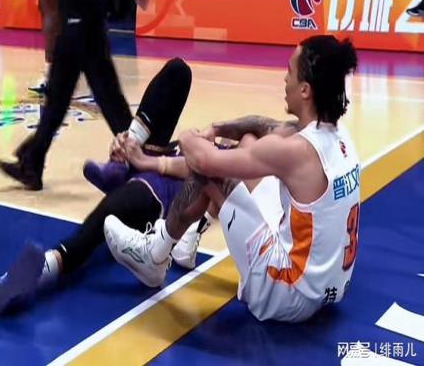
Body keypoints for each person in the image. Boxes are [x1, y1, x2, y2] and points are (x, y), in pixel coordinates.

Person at [104, 35, 361, 323]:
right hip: (325, 288)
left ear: (305, 90)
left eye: (289, 71)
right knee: (249, 140)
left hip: (288, 296)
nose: (284, 78)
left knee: (213, 171)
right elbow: (263, 126)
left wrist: (190, 137)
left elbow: (204, 162)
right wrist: (218, 128)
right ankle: (186, 238)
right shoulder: (337, 136)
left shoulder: (296, 151)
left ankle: (154, 255)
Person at [0, 58, 212, 317]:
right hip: (153, 162)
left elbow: (202, 170)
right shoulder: (199, 144)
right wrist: (130, 148)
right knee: (178, 71)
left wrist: (147, 162)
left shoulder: (221, 165)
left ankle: (47, 266)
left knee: (112, 212)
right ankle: (121, 161)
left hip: (158, 191)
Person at [0, 0, 149, 191]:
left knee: (101, 94)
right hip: (82, 6)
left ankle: (141, 160)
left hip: (80, 10)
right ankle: (32, 162)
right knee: (67, 95)